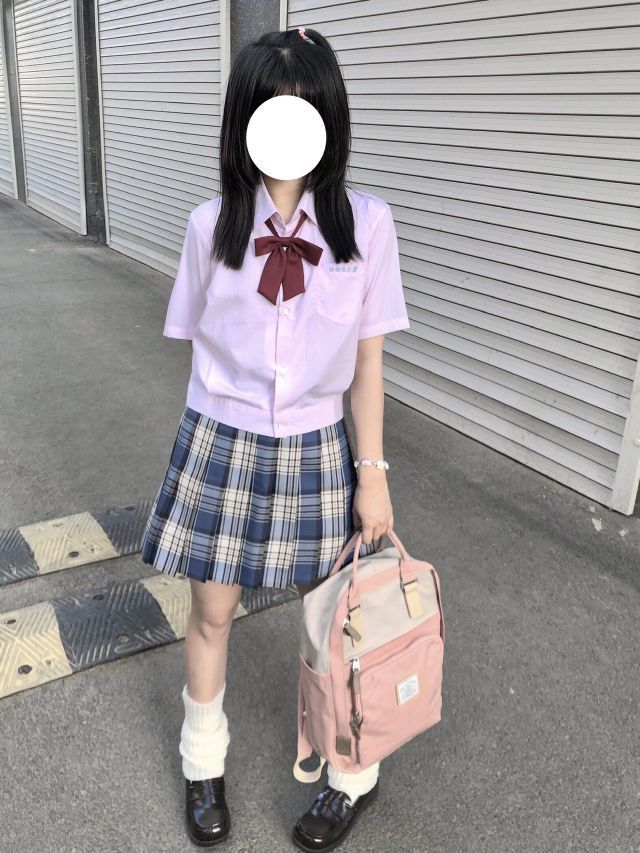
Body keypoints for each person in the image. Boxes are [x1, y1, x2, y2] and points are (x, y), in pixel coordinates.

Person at [140, 25, 410, 852]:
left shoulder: (367, 225)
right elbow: (198, 351)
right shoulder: (207, 227)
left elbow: (368, 362)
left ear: (328, 118)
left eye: (304, 111)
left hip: (318, 444)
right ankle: (202, 762)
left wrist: (372, 471)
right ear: (244, 121)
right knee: (211, 609)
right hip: (223, 437)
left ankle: (353, 773)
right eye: (270, 111)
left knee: (332, 619)